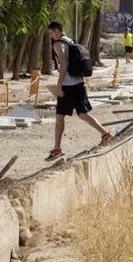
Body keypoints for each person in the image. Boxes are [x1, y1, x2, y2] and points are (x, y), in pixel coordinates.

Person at [46, 21, 113, 161]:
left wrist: (58, 85)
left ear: (57, 30)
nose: (51, 36)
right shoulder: (70, 41)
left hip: (67, 85)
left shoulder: (58, 44)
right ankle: (106, 134)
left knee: (59, 117)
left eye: (51, 33)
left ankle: (57, 149)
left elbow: (63, 64)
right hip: (79, 82)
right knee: (83, 114)